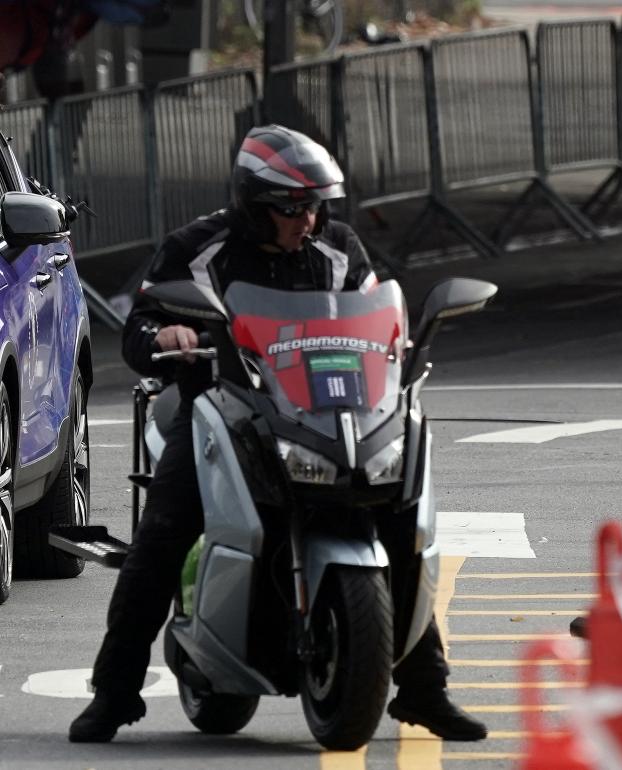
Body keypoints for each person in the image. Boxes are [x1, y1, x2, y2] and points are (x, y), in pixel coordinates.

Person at [69, 125, 488, 744]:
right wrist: (165, 337)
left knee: (398, 523)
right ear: (253, 205)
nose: (308, 219)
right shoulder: (199, 247)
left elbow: (374, 321)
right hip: (222, 407)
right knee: (163, 533)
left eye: (316, 205)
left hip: (332, 413)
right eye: (293, 208)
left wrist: (399, 346)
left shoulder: (339, 247)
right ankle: (114, 693)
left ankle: (427, 690)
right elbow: (139, 328)